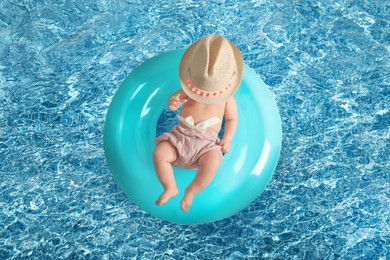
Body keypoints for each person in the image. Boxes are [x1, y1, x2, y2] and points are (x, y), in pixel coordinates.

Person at [153, 34, 244, 212]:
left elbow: (232, 119)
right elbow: (176, 97)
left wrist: (227, 139)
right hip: (180, 136)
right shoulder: (190, 87)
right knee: (160, 153)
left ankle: (191, 192)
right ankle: (170, 187)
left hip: (206, 145)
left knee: (213, 162)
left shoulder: (227, 99)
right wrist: (173, 102)